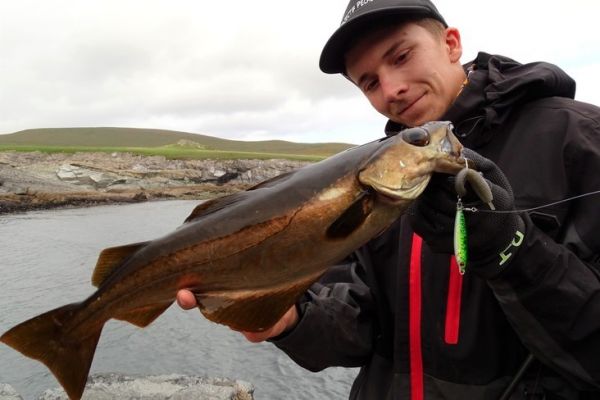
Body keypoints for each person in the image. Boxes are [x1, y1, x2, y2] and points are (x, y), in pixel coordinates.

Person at [178, 0, 600, 398]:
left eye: (401, 57)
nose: (392, 90)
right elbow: (361, 328)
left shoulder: (580, 138)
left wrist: (510, 248)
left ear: (451, 44)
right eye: (369, 81)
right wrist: (292, 319)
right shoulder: (376, 177)